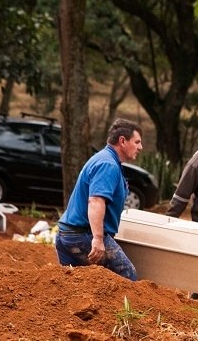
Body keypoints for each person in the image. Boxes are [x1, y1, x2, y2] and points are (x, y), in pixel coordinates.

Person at [55, 118, 143, 281]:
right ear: (122, 141)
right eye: (137, 142)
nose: (140, 147)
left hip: (67, 234)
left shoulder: (105, 159)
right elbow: (96, 200)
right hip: (81, 235)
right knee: (126, 275)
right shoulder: (107, 164)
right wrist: (98, 239)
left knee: (78, 284)